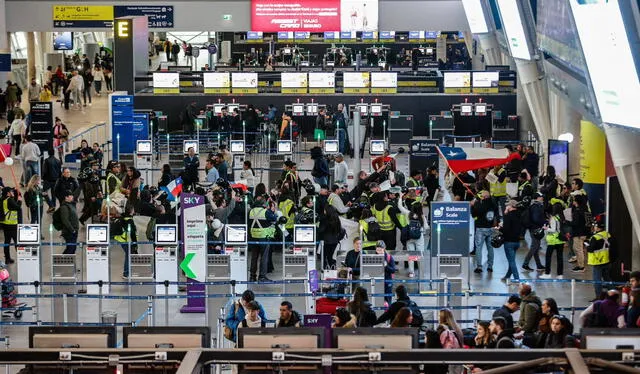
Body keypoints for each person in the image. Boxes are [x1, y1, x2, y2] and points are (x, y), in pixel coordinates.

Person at [248, 198, 277, 281]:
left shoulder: (251, 211)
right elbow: (274, 218)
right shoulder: (266, 212)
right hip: (263, 237)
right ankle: (262, 276)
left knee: (254, 257)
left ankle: (252, 276)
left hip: (253, 237)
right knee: (264, 257)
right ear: (263, 205)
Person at [471, 190, 499, 273]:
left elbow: (474, 214)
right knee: (490, 248)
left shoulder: (480, 205)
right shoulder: (493, 204)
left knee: (479, 248)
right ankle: (490, 266)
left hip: (480, 229)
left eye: (482, 196)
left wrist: (473, 205)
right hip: (490, 228)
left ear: (484, 197)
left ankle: (479, 267)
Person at [540, 204, 567, 279]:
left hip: (553, 240)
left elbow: (553, 229)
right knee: (560, 258)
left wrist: (546, 228)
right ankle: (560, 274)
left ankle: (547, 273)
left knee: (548, 257)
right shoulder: (561, 217)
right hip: (560, 240)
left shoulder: (553, 218)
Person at [522, 192, 546, 272]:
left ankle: (539, 265)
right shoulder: (536, 207)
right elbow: (536, 219)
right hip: (535, 228)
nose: (542, 198)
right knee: (534, 247)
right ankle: (525, 264)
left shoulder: (534, 206)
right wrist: (544, 222)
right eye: (541, 196)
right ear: (537, 198)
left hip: (533, 228)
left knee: (536, 247)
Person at [500, 200, 523, 282]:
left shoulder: (508, 216)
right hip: (517, 241)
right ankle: (507, 276)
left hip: (509, 241)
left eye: (507, 205)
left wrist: (500, 228)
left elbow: (506, 229)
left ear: (510, 206)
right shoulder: (519, 214)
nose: (506, 207)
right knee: (511, 259)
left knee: (511, 261)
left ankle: (517, 279)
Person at [113, 204, 137, 278]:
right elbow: (132, 233)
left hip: (121, 239)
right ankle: (126, 273)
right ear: (131, 211)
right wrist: (135, 243)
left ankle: (127, 272)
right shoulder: (130, 220)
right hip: (126, 240)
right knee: (128, 256)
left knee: (128, 255)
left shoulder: (122, 217)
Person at [318, 205, 345, 269]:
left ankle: (324, 270)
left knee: (323, 257)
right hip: (335, 241)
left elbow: (321, 230)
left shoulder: (324, 219)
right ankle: (332, 270)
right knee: (331, 257)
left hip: (326, 242)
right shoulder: (336, 218)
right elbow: (339, 229)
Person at [569, 194, 589, 273]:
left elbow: (575, 223)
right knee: (578, 248)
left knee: (578, 249)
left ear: (576, 201)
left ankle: (581, 266)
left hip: (578, 233)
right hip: (584, 232)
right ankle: (580, 264)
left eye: (574, 200)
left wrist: (567, 222)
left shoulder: (578, 211)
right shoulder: (585, 209)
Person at [0, 187, 21, 263]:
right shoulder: (9, 200)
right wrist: (20, 201)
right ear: (8, 193)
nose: (12, 192)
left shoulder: (3, 199)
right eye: (11, 191)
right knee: (17, 241)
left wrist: (16, 192)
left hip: (5, 224)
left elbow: (12, 205)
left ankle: (7, 259)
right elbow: (18, 207)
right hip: (12, 224)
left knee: (7, 242)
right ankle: (21, 257)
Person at [59, 190, 79, 254]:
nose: (72, 197)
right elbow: (65, 220)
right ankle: (62, 261)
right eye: (70, 196)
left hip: (73, 231)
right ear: (66, 197)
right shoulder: (64, 207)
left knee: (72, 248)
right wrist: (72, 230)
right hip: (69, 232)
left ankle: (69, 262)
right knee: (70, 248)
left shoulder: (70, 204)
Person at [42, 148, 62, 213]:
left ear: (48, 153)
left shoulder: (46, 160)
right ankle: (53, 207)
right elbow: (60, 172)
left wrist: (43, 178)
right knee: (53, 194)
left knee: (43, 192)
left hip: (48, 180)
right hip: (56, 180)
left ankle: (51, 205)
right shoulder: (58, 161)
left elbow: (44, 171)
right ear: (54, 153)